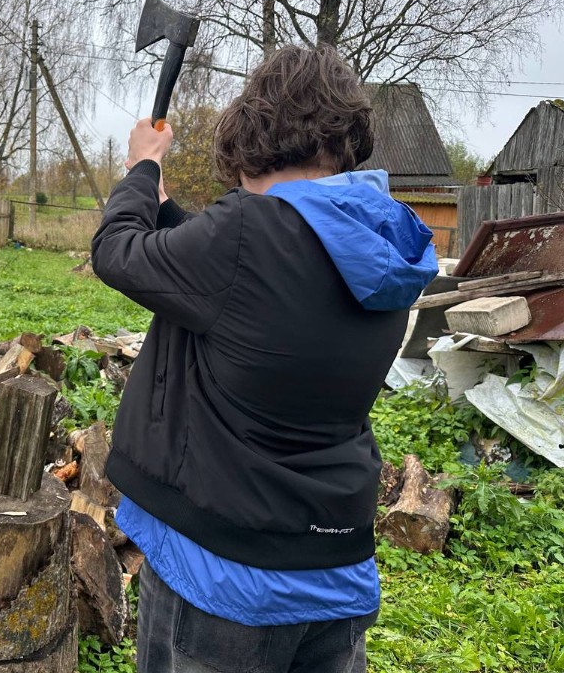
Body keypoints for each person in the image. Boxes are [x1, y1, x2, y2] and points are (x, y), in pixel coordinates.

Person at [91, 45, 438, 673]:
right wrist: (170, 210)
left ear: (256, 134)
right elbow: (253, 282)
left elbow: (118, 251)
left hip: (227, 576)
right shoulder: (384, 238)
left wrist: (141, 170)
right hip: (333, 569)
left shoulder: (246, 234)